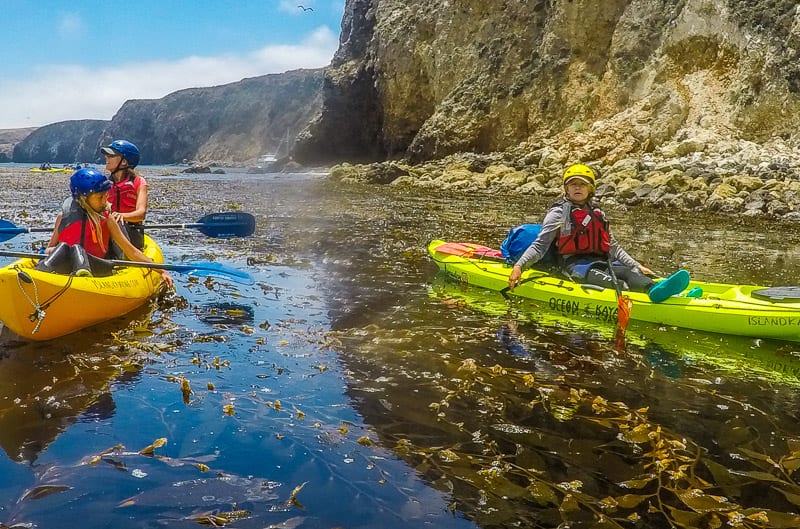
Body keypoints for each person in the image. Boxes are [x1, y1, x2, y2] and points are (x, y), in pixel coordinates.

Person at [507, 163, 689, 302]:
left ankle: (657, 291)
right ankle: (650, 296)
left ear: (590, 189)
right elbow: (540, 246)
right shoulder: (558, 213)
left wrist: (635, 265)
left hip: (603, 260)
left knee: (629, 273)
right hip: (576, 266)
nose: (578, 188)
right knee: (618, 284)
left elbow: (613, 247)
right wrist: (519, 266)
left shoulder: (597, 213)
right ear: (567, 189)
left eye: (582, 185)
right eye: (573, 184)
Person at [37, 168, 173, 288]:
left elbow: (131, 251)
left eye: (105, 196)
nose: (105, 201)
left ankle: (83, 275)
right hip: (67, 268)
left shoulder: (107, 219)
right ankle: (39, 276)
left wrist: (161, 270)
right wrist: (53, 250)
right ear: (83, 198)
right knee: (64, 247)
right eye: (99, 197)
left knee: (76, 249)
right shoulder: (63, 217)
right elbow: (50, 247)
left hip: (98, 268)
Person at [100, 140, 147, 250]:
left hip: (131, 232)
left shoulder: (138, 182)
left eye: (111, 155)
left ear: (124, 162)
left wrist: (121, 216)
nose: (106, 157)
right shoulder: (104, 183)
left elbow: (141, 213)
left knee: (118, 225)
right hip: (107, 231)